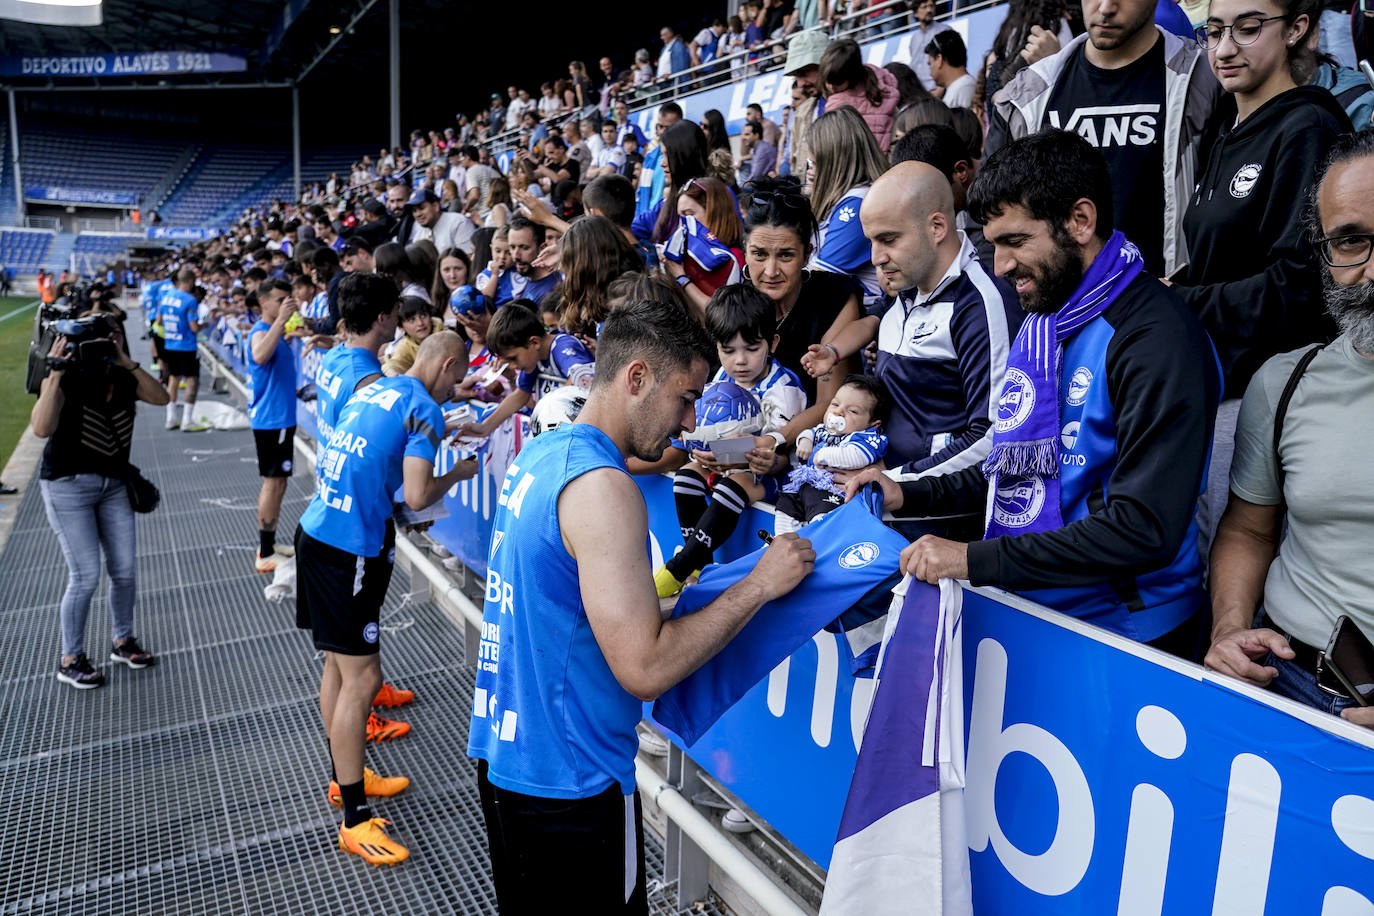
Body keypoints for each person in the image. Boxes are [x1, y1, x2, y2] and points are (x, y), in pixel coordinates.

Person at [467, 298, 814, 914]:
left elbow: (570, 606)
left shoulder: (542, 453)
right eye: (685, 398)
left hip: (507, 760)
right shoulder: (604, 488)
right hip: (573, 782)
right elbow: (645, 668)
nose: (687, 423)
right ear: (636, 378)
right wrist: (757, 584)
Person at [848, 131, 1221, 656]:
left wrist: (971, 560)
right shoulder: (1049, 320)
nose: (999, 265)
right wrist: (908, 492)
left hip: (1130, 635)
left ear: (1080, 221)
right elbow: (1019, 471)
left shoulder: (1157, 338)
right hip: (1039, 610)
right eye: (993, 243)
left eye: (1015, 242)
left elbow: (1143, 529)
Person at [1203, 129, 1374, 730]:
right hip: (1289, 688)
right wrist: (1228, 629)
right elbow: (1249, 531)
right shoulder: (1285, 382)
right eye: (1350, 241)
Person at [1174, 0, 1351, 550]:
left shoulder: (1309, 126)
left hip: (1270, 394)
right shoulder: (1223, 131)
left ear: (1297, 28)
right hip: (1216, 384)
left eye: (1248, 29)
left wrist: (1182, 302)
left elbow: (1301, 285)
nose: (1224, 49)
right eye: (1214, 32)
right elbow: (1215, 265)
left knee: (1238, 561)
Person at [298, 331, 477, 866]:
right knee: (364, 679)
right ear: (446, 365)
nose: (455, 389)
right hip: (350, 549)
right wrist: (458, 472)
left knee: (338, 665)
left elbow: (381, 456)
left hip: (321, 533)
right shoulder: (423, 407)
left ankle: (343, 777)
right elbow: (419, 495)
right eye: (458, 378)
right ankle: (353, 820)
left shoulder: (382, 388)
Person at [986, 0, 1221, 277]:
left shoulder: (1206, 80)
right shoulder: (1028, 95)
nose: (1106, 7)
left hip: (1164, 303)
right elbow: (988, 217)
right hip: (1060, 312)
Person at [33, 318, 169, 689]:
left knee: (124, 570)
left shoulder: (125, 377)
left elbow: (162, 398)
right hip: (68, 486)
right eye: (97, 341)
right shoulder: (66, 376)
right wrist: (57, 373)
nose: (104, 346)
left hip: (113, 485)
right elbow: (42, 428)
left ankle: (122, 640)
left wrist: (126, 361)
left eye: (111, 339)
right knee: (85, 575)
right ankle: (70, 657)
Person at [653, 284, 809, 596]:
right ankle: (702, 566)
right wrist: (703, 452)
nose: (740, 360)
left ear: (772, 342)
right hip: (721, 463)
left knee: (733, 483)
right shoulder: (718, 379)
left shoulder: (783, 387)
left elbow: (772, 449)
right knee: (685, 477)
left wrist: (730, 453)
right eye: (728, 350)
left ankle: (681, 567)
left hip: (771, 472)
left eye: (751, 349)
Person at [740, 177, 863, 444]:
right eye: (759, 255)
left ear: (807, 255)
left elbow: (829, 402)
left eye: (786, 255)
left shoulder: (835, 298)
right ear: (745, 253)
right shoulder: (737, 300)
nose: (771, 271)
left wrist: (771, 442)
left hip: (816, 446)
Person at [458, 301, 596, 440]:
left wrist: (544, 412)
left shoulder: (563, 346)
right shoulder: (534, 356)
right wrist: (485, 427)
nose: (512, 366)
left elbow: (584, 376)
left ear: (534, 342)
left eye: (513, 358)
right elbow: (520, 395)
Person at [776, 374, 890, 531]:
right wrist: (805, 441)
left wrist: (823, 455)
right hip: (805, 484)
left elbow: (857, 456)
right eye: (835, 404)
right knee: (786, 504)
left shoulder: (867, 437)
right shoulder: (824, 429)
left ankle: (817, 538)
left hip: (832, 489)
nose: (839, 412)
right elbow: (809, 433)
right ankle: (784, 537)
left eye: (853, 411)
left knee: (821, 514)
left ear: (872, 423)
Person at [806, 107, 890, 302]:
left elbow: (816, 282)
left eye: (814, 164)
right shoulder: (852, 197)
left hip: (865, 317)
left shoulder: (858, 204)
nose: (809, 172)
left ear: (834, 164)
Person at [248, 278, 301, 574]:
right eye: (280, 300)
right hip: (272, 421)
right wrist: (281, 321)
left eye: (288, 299)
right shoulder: (261, 331)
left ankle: (269, 544)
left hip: (280, 418)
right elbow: (258, 355)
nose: (286, 305)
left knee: (279, 483)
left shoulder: (277, 331)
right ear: (263, 304)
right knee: (273, 482)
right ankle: (265, 552)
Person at [662, 175, 746, 316]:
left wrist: (682, 278)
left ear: (715, 214)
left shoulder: (735, 257)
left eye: (689, 215)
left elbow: (721, 316)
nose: (683, 223)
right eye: (680, 217)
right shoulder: (687, 254)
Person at [819, 38, 900, 152]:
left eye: (838, 83)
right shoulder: (882, 82)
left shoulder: (838, 105)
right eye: (829, 81)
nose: (831, 88)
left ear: (852, 76)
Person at [157, 268, 208, 432]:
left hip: (170, 344)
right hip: (186, 346)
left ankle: (170, 418)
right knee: (192, 381)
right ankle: (187, 420)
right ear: (191, 281)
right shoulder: (190, 300)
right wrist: (205, 325)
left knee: (173, 380)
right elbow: (194, 328)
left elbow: (159, 322)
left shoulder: (166, 297)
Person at [383, 296, 446, 376]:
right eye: (411, 320)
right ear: (401, 327)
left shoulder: (445, 335)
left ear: (430, 316)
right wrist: (391, 371)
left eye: (423, 316)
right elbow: (394, 364)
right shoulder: (406, 345)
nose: (420, 323)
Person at [909, 0, 954, 91]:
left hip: (938, 89)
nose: (929, 10)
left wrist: (940, 90)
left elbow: (952, 63)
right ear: (916, 13)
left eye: (931, 6)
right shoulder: (914, 38)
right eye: (924, 7)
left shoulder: (944, 30)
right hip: (919, 91)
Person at [927, 30, 976, 108]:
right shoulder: (959, 87)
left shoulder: (964, 88)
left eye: (930, 64)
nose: (929, 72)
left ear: (939, 59)